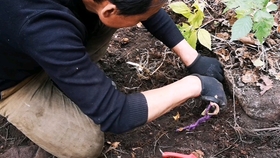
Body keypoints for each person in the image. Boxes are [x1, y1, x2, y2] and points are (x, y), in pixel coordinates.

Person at [0, 0, 227, 157]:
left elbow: (145, 6)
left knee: (123, 14)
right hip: (14, 83)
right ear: (108, 10)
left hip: (40, 45)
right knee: (85, 145)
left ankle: (70, 75)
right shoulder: (41, 26)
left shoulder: (104, 4)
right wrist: (195, 84)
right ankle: (63, 79)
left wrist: (193, 59)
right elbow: (117, 114)